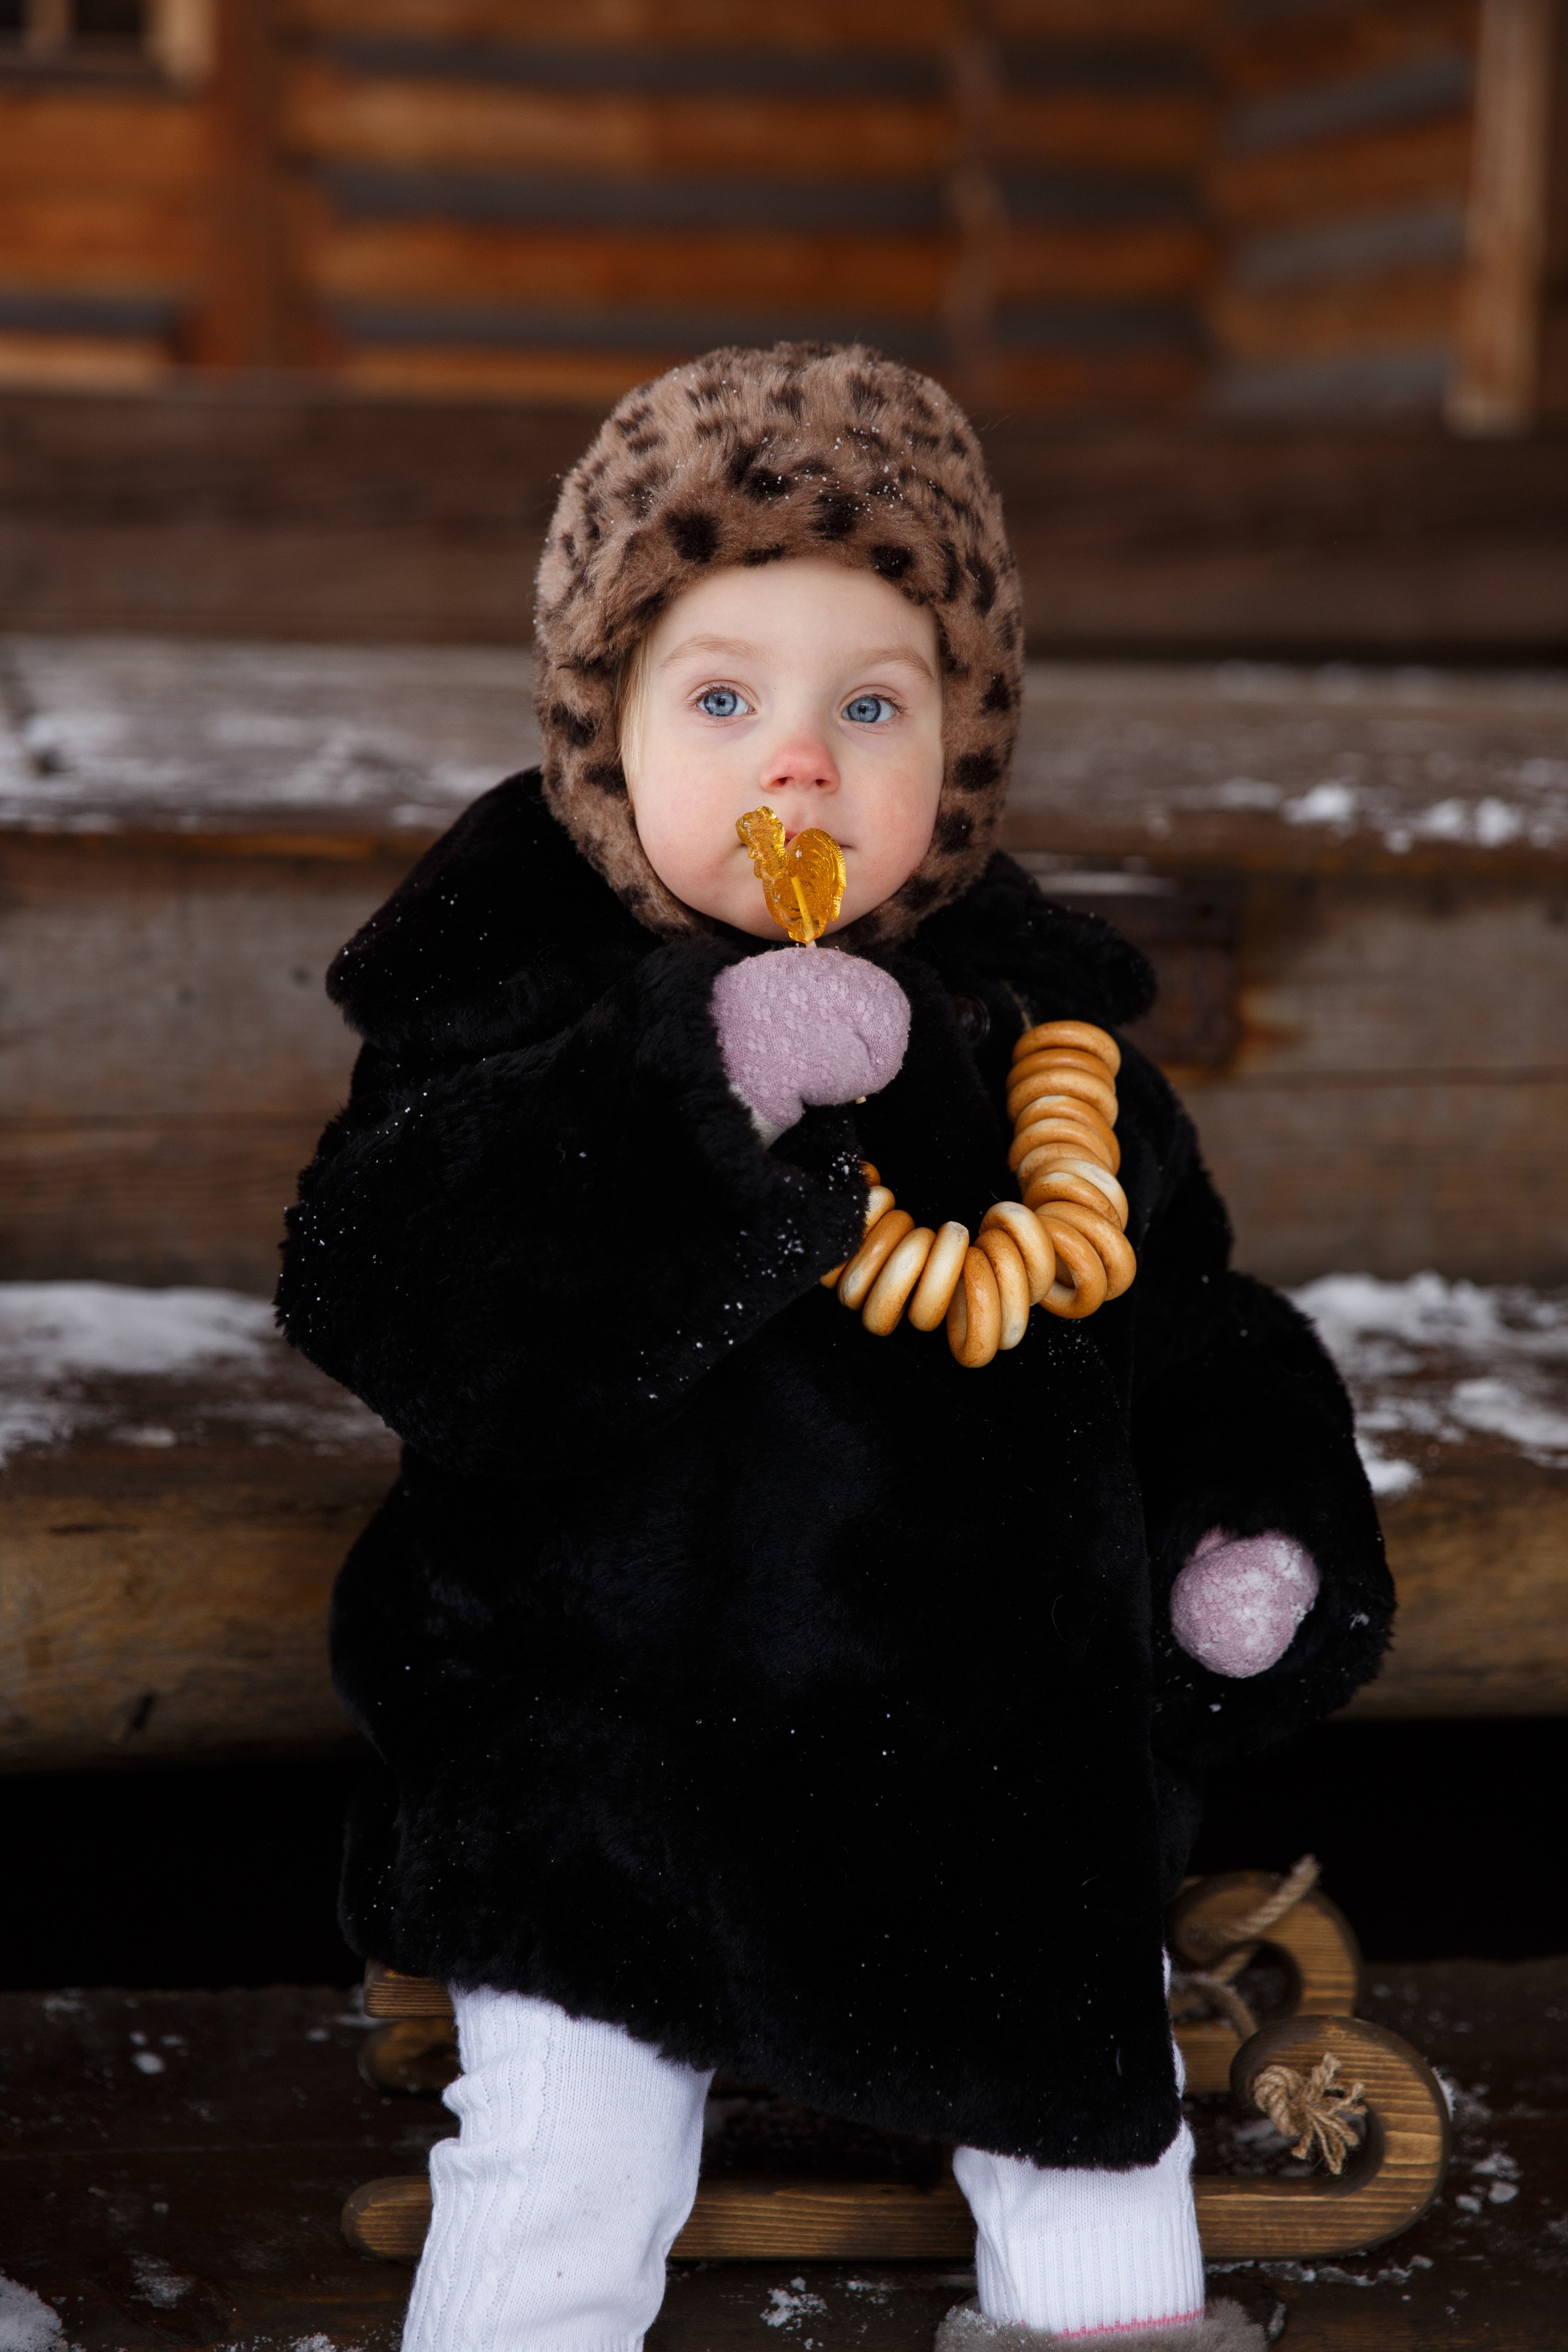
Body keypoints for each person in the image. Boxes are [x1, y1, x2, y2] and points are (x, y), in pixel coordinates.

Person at [277, 342, 1392, 2352]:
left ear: (959, 757)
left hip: (982, 1754)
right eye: (723, 699)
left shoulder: (1037, 1042)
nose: (801, 764)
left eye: (871, 707)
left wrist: (1243, 1537)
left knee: (1096, 2136)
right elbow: (405, 1292)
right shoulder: (514, 1007)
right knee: (566, 2155)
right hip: (611, 1751)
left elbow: (1199, 1326)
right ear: (602, 736)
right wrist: (696, 1092)